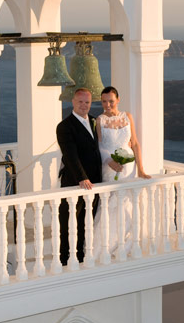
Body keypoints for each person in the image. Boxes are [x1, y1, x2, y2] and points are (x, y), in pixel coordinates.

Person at [93, 86, 150, 259]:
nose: (107, 105)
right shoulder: (100, 120)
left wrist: (140, 169)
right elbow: (100, 147)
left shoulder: (127, 117)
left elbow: (135, 143)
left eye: (111, 101)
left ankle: (127, 246)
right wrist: (110, 162)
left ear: (118, 100)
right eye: (104, 101)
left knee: (128, 204)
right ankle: (105, 248)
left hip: (129, 168)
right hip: (110, 167)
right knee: (111, 206)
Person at [56, 88, 102, 265]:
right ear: (73, 102)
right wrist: (82, 177)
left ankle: (81, 255)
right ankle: (65, 258)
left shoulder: (93, 121)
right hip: (75, 182)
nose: (84, 105)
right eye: (80, 102)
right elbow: (70, 155)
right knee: (68, 222)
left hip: (94, 183)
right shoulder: (65, 126)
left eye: (87, 102)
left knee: (86, 222)